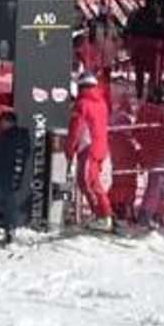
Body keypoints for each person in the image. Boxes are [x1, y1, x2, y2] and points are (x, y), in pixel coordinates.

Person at [67, 74, 114, 232]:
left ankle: (104, 215)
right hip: (101, 146)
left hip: (88, 147)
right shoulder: (102, 103)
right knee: (90, 181)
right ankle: (100, 214)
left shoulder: (82, 104)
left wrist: (70, 148)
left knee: (88, 181)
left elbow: (76, 129)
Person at [0, 111, 33, 244]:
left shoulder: (5, 138)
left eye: (2, 122)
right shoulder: (24, 137)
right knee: (11, 206)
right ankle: (10, 233)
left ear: (8, 122)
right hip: (15, 178)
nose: (0, 124)